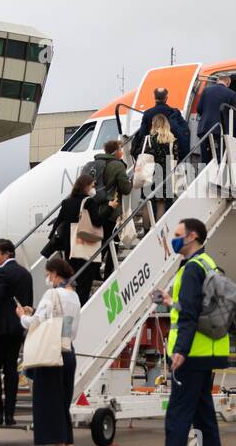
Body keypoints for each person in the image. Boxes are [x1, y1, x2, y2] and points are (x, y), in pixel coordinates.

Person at [141, 217, 228, 446]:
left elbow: (189, 315)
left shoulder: (191, 269)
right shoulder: (208, 263)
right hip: (209, 351)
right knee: (204, 416)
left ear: (191, 237)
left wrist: (180, 350)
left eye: (178, 234)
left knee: (178, 416)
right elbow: (194, 307)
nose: (174, 238)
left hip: (191, 355)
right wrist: (169, 301)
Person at [17, 255, 80, 446]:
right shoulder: (74, 295)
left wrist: (21, 316)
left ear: (54, 273)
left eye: (47, 274)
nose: (47, 278)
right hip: (68, 351)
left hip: (51, 356)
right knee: (62, 404)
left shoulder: (52, 293)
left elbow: (35, 322)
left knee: (50, 403)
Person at [0, 239, 32, 426]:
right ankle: (10, 414)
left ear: (7, 254)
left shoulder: (2, 272)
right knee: (11, 370)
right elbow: (28, 303)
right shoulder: (25, 274)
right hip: (16, 328)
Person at [56, 173, 105, 304]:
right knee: (84, 285)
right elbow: (97, 221)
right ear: (86, 186)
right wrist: (110, 208)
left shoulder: (66, 202)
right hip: (85, 248)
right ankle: (81, 310)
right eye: (93, 185)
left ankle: (70, 308)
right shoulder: (89, 202)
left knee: (71, 283)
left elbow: (58, 223)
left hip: (70, 249)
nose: (94, 188)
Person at [87, 139, 129, 274]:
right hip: (111, 210)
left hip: (95, 209)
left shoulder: (95, 163)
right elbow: (126, 188)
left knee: (100, 244)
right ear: (116, 151)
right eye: (120, 149)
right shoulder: (117, 165)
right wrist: (132, 181)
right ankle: (109, 274)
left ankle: (93, 272)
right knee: (113, 243)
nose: (122, 152)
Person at [142, 112, 179, 219]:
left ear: (154, 124)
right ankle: (158, 232)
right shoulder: (172, 141)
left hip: (149, 173)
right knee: (161, 205)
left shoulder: (148, 139)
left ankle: (145, 231)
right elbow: (176, 158)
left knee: (146, 203)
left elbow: (142, 155)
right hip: (165, 175)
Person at [134, 87, 190, 159]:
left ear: (155, 97)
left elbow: (142, 133)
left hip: (153, 152)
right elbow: (184, 131)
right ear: (166, 98)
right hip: (170, 150)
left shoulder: (148, 113)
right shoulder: (174, 112)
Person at [194, 73, 236, 163]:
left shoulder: (206, 90)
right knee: (218, 158)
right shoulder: (231, 94)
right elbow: (234, 115)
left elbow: (199, 109)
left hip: (204, 129)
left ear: (218, 81)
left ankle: (205, 175)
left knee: (205, 158)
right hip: (220, 131)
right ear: (228, 83)